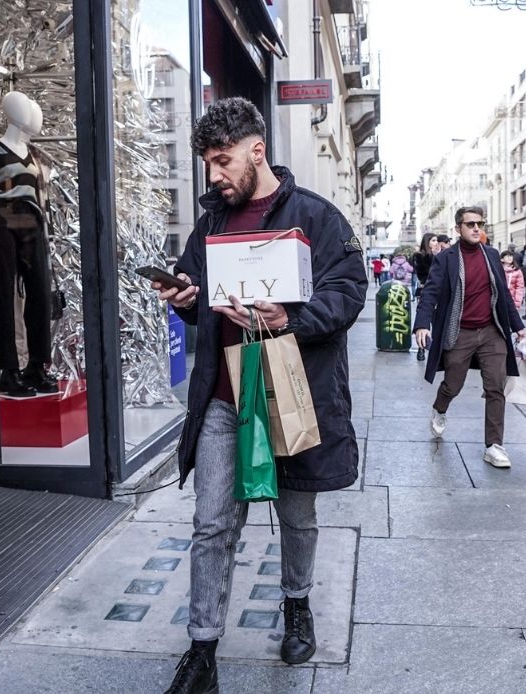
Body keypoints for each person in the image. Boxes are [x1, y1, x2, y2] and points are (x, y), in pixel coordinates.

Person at [151, 97, 368, 693]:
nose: (215, 175)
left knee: (297, 512)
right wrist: (185, 298)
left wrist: (292, 314)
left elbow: (350, 291)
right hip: (225, 398)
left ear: (257, 151)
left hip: (292, 391)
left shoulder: (317, 217)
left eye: (223, 161)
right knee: (212, 523)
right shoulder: (210, 224)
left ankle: (296, 603)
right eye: (207, 165)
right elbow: (195, 286)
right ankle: (201, 652)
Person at [413, 206, 526, 468]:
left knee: (496, 386)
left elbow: (504, 295)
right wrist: (422, 324)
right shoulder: (447, 258)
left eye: (480, 224)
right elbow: (430, 292)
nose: (477, 228)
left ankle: (494, 446)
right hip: (459, 332)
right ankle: (440, 408)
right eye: (470, 224)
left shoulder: (492, 255)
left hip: (491, 331)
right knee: (454, 384)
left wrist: (518, 326)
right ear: (458, 229)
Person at [0, 91, 57, 397]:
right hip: (1, 217)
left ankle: (37, 365)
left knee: (40, 291)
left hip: (31, 220)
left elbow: (42, 197)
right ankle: (9, 370)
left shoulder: (34, 155)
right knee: (4, 293)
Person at [411, 233, 438, 362]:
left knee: (432, 320)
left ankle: (428, 348)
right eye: (433, 240)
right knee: (426, 319)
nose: (436, 242)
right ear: (427, 242)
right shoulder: (423, 257)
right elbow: (427, 273)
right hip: (426, 291)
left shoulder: (436, 256)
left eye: (436, 240)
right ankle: (422, 348)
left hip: (432, 291)